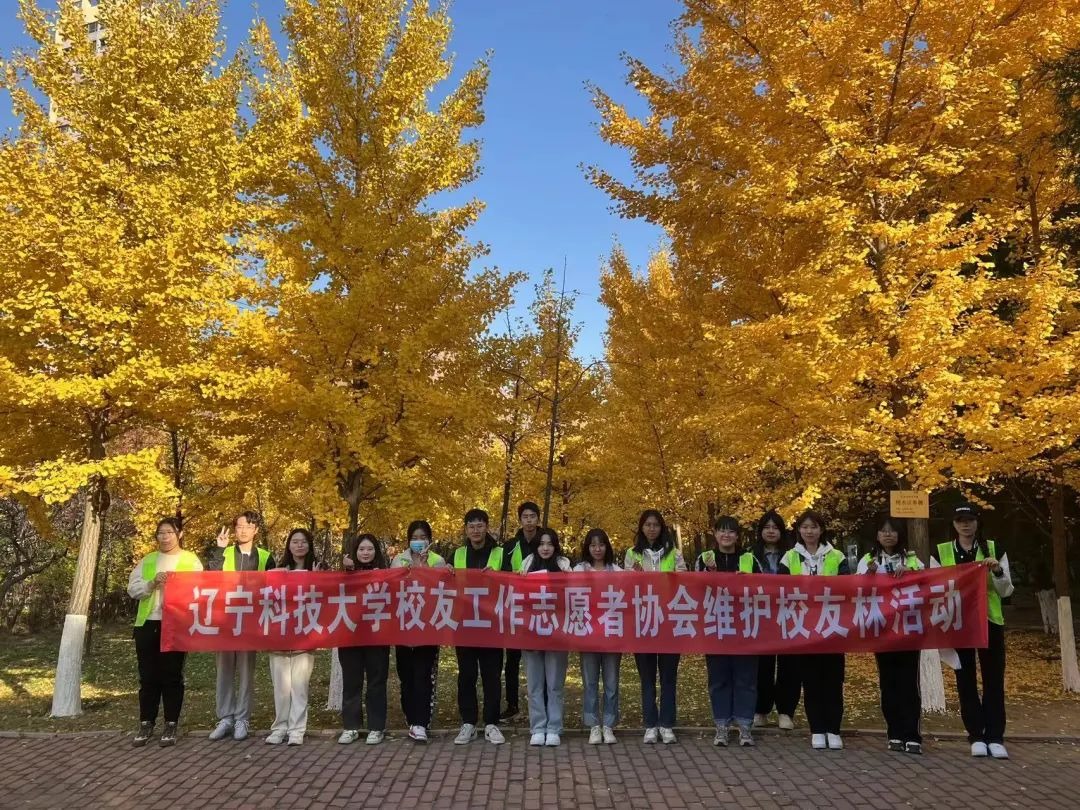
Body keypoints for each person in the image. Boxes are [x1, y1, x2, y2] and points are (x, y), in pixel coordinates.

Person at [931, 502, 1014, 759]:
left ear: (978, 522)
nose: (965, 525)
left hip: (990, 621)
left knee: (993, 679)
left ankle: (995, 736)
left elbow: (1006, 591)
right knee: (965, 678)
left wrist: (997, 571)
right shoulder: (941, 552)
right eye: (960, 521)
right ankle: (976, 735)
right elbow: (933, 587)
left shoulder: (994, 549)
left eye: (970, 520)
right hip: (958, 623)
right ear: (954, 525)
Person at [128, 517, 203, 747]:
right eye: (161, 533)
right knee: (147, 676)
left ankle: (171, 723)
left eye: (170, 532)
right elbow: (133, 589)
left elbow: (200, 590)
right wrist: (152, 583)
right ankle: (146, 722)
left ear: (179, 534)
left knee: (172, 675)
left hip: (176, 625)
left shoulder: (190, 560)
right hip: (148, 624)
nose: (165, 537)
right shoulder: (148, 560)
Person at [780, 509, 849, 751]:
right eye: (805, 527)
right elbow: (780, 590)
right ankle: (817, 729)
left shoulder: (837, 556)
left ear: (821, 529)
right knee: (810, 682)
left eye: (814, 526)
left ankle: (834, 729)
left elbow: (848, 588)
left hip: (832, 627)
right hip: (804, 629)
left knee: (833, 681)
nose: (809, 531)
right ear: (799, 530)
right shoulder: (789, 557)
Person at [856, 514, 924, 754]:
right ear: (877, 535)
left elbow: (928, 585)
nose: (888, 535)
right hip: (882, 630)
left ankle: (912, 735)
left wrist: (912, 573)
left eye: (892, 530)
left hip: (908, 630)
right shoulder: (868, 560)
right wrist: (869, 575)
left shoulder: (913, 559)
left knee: (909, 683)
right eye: (883, 531)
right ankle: (894, 733)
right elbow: (857, 591)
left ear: (899, 534)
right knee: (888, 683)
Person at [206, 510, 276, 741]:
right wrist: (218, 550)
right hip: (225, 620)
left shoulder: (265, 556)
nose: (243, 530)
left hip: (250, 622)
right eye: (239, 526)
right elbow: (210, 577)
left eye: (248, 526)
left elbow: (274, 587)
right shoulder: (225, 552)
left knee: (246, 671)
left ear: (256, 530)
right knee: (224, 670)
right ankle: (225, 718)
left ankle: (242, 718)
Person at [696, 515, 761, 747]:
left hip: (745, 628)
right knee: (718, 679)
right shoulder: (704, 558)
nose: (726, 535)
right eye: (722, 531)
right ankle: (721, 726)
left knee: (746, 679)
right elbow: (694, 588)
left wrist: (748, 582)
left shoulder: (749, 559)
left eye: (731, 531)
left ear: (737, 536)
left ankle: (745, 726)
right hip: (715, 628)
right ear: (714, 534)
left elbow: (764, 590)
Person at [624, 509, 687, 744]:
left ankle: (667, 724)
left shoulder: (674, 553)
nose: (652, 529)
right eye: (648, 524)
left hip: (670, 622)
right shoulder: (632, 554)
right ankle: (650, 724)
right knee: (647, 677)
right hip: (643, 622)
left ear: (662, 528)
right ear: (641, 527)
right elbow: (625, 586)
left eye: (656, 525)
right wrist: (637, 576)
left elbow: (684, 581)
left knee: (669, 676)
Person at [390, 520, 447, 743]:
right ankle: (411, 719)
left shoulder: (437, 561)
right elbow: (392, 588)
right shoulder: (399, 560)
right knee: (406, 676)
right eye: (414, 537)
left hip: (428, 626)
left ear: (429, 540)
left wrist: (425, 567)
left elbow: (441, 590)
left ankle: (421, 723)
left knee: (423, 675)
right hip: (403, 626)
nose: (419, 541)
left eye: (423, 537)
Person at [452, 508, 506, 745]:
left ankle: (491, 723)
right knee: (466, 675)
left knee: (491, 675)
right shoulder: (457, 553)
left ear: (487, 527)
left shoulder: (500, 553)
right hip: (464, 623)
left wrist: (498, 576)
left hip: (492, 623)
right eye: (471, 526)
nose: (476, 530)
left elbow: (515, 582)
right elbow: (446, 581)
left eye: (480, 525)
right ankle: (468, 723)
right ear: (466, 529)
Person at [267, 528, 318, 746]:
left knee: (299, 686)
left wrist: (317, 578)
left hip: (305, 636)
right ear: (289, 545)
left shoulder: (317, 569)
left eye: (303, 542)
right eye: (295, 541)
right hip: (280, 634)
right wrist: (275, 576)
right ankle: (279, 727)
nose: (299, 545)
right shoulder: (277, 571)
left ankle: (297, 729)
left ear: (309, 545)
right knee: (281, 687)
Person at [520, 528, 572, 746]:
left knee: (554, 684)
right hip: (531, 631)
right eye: (541, 543)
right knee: (534, 684)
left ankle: (554, 728)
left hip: (557, 633)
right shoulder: (526, 564)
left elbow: (572, 596)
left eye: (550, 543)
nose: (545, 548)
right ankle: (538, 727)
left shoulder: (564, 565)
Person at [338, 533, 391, 745]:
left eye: (370, 549)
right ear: (355, 552)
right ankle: (350, 727)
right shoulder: (344, 574)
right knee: (351, 681)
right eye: (361, 549)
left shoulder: (386, 574)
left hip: (377, 636)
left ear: (376, 552)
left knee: (376, 682)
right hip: (350, 635)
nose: (365, 553)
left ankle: (376, 727)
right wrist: (348, 572)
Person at [749, 510, 800, 731]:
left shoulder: (794, 555)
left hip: (789, 615)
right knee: (762, 666)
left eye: (775, 527)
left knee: (789, 665)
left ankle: (785, 711)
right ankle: (761, 710)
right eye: (767, 527)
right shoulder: (750, 555)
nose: (771, 531)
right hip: (761, 616)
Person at [574, 528, 622, 744]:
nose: (597, 549)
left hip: (612, 634)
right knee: (590, 682)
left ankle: (609, 725)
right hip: (588, 635)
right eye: (593, 545)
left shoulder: (617, 571)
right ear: (588, 547)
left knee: (611, 683)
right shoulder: (578, 570)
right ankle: (593, 725)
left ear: (607, 547)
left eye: (601, 544)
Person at [500, 501, 541, 720]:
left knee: (540, 658)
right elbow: (501, 572)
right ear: (520, 520)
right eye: (525, 516)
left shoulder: (546, 541)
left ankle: (541, 703)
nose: (529, 520)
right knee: (512, 659)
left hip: (540, 607)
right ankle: (512, 704)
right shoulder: (510, 545)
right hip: (515, 607)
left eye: (532, 516)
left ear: (538, 518)